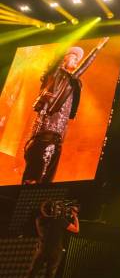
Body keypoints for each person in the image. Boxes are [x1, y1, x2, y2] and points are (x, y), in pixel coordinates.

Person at [22, 37, 109, 184]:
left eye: (77, 59)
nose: (76, 61)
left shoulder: (71, 81)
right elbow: (58, 63)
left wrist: (98, 49)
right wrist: (67, 44)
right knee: (34, 178)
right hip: (44, 134)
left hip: (58, 139)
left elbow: (79, 71)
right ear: (63, 59)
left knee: (46, 181)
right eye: (73, 57)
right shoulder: (55, 75)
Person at [15, 200, 79, 278]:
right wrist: (75, 216)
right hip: (55, 252)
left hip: (42, 251)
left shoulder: (39, 219)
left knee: (30, 276)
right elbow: (76, 229)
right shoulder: (60, 220)